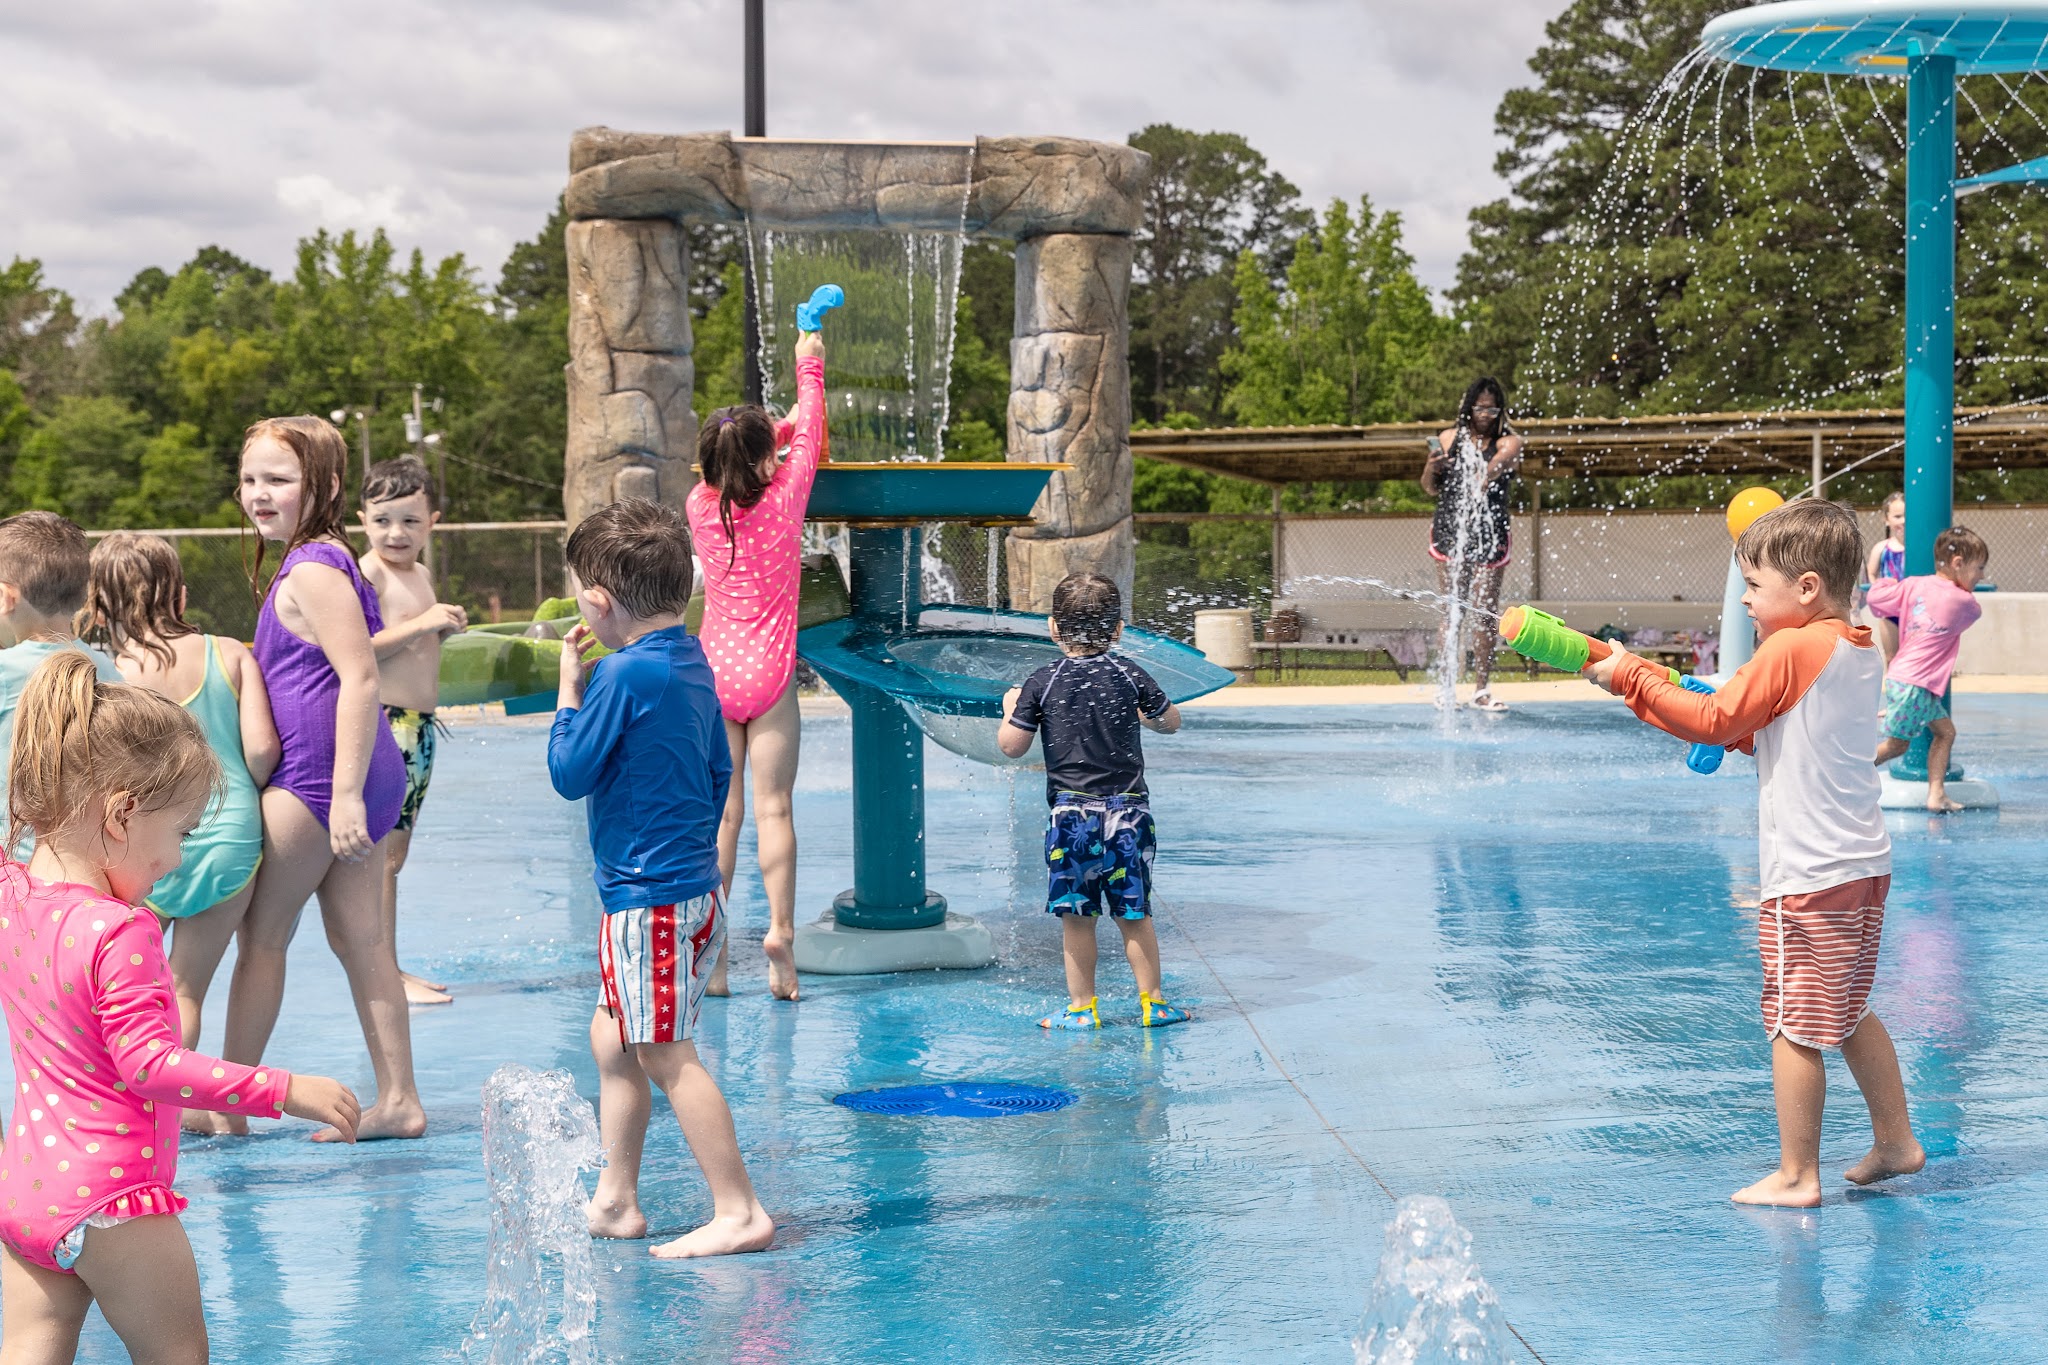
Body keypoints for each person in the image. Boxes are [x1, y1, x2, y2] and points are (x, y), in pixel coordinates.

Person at [0, 651, 358, 1364]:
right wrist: (285, 1089)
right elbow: (150, 1065)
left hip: (25, 1190)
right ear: (125, 811)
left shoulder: (12, 893)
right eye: (184, 831)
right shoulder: (119, 929)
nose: (178, 859)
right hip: (115, 1197)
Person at [1586, 499, 1921, 1207]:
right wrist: (1649, 685)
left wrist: (1631, 679)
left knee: (1793, 1025)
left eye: (1754, 586)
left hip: (1808, 875)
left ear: (1805, 588)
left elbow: (1714, 717)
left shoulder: (1790, 648)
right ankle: (1896, 1140)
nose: (1744, 599)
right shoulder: (1855, 646)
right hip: (1862, 867)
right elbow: (1752, 729)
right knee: (1850, 1008)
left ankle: (1798, 1175)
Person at [548, 498, 774, 1259]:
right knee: (613, 1039)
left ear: (598, 602)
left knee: (664, 1053)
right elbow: (719, 770)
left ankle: (739, 1208)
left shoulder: (619, 676)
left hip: (651, 901)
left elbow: (570, 772)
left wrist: (566, 693)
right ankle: (616, 1198)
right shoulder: (689, 660)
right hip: (688, 889)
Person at [224, 416, 425, 1142]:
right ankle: (398, 1099)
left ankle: (232, 1103)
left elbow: (361, 677)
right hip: (347, 773)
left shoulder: (311, 567)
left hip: (320, 780)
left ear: (326, 485)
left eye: (278, 479)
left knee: (262, 937)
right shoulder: (320, 558)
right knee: (362, 941)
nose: (258, 493)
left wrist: (341, 795)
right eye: (250, 479)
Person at [81, 533, 278, 1135]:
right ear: (182, 592)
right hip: (228, 837)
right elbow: (263, 750)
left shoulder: (104, 670)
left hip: (140, 842)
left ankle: (151, 1118)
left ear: (97, 601)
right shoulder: (229, 654)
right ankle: (208, 1111)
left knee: (140, 990)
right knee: (185, 989)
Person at [688, 328, 828, 1002]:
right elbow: (810, 430)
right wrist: (810, 358)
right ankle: (780, 936)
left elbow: (741, 454)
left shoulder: (697, 508)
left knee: (724, 815)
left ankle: (713, 959)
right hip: (772, 678)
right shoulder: (788, 497)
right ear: (768, 455)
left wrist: (767, 431)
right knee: (775, 809)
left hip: (714, 673)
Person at [997, 573, 1192, 1031]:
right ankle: (1154, 1004)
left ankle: (1082, 1009)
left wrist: (1011, 709)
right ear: (1119, 629)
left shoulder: (1042, 682)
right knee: (1134, 913)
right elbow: (1172, 722)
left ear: (1053, 628)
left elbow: (1011, 747)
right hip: (1129, 815)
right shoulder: (1129, 673)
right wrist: (1145, 713)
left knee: (1077, 918)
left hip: (1072, 819)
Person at [358, 456, 468, 1006]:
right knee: (381, 858)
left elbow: (408, 647)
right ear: (362, 520)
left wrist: (437, 633)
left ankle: (393, 969)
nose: (394, 533)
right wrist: (423, 624)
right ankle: (384, 976)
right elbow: (356, 651)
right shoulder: (369, 573)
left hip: (419, 730)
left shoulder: (420, 575)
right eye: (382, 521)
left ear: (433, 522)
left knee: (394, 860)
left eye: (408, 520)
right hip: (387, 725)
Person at [0, 512, 122, 830]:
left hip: (9, 857)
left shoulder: (4, 671)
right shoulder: (107, 669)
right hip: (79, 854)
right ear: (82, 595)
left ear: (5, 597)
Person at [1867, 525, 1988, 814]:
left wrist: (1888, 581)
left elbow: (1875, 600)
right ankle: (1842, 773)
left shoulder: (1913, 585)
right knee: (1897, 747)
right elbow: (1973, 613)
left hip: (1906, 680)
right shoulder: (1965, 603)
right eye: (1979, 568)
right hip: (1915, 684)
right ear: (1958, 563)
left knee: (1945, 733)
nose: (1982, 575)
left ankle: (1936, 795)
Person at [1423, 377, 1524, 712]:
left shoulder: (1510, 441)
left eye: (1492, 408)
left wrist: (1484, 474)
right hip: (1450, 531)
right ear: (1469, 407)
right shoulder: (1448, 439)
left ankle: (1481, 688)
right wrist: (1430, 468)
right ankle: (1445, 687)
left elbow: (1500, 463)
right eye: (1480, 407)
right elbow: (1430, 489)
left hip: (1490, 532)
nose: (1485, 414)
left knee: (1484, 612)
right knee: (1452, 611)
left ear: (1499, 410)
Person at [1862, 491, 1907, 664]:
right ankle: (1893, 691)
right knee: (1891, 657)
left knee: (1910, 658)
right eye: (1897, 516)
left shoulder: (1919, 548)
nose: (1903, 520)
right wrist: (1876, 588)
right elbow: (1871, 573)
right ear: (1886, 519)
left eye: (1907, 515)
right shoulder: (1881, 548)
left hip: (1914, 611)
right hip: (1889, 612)